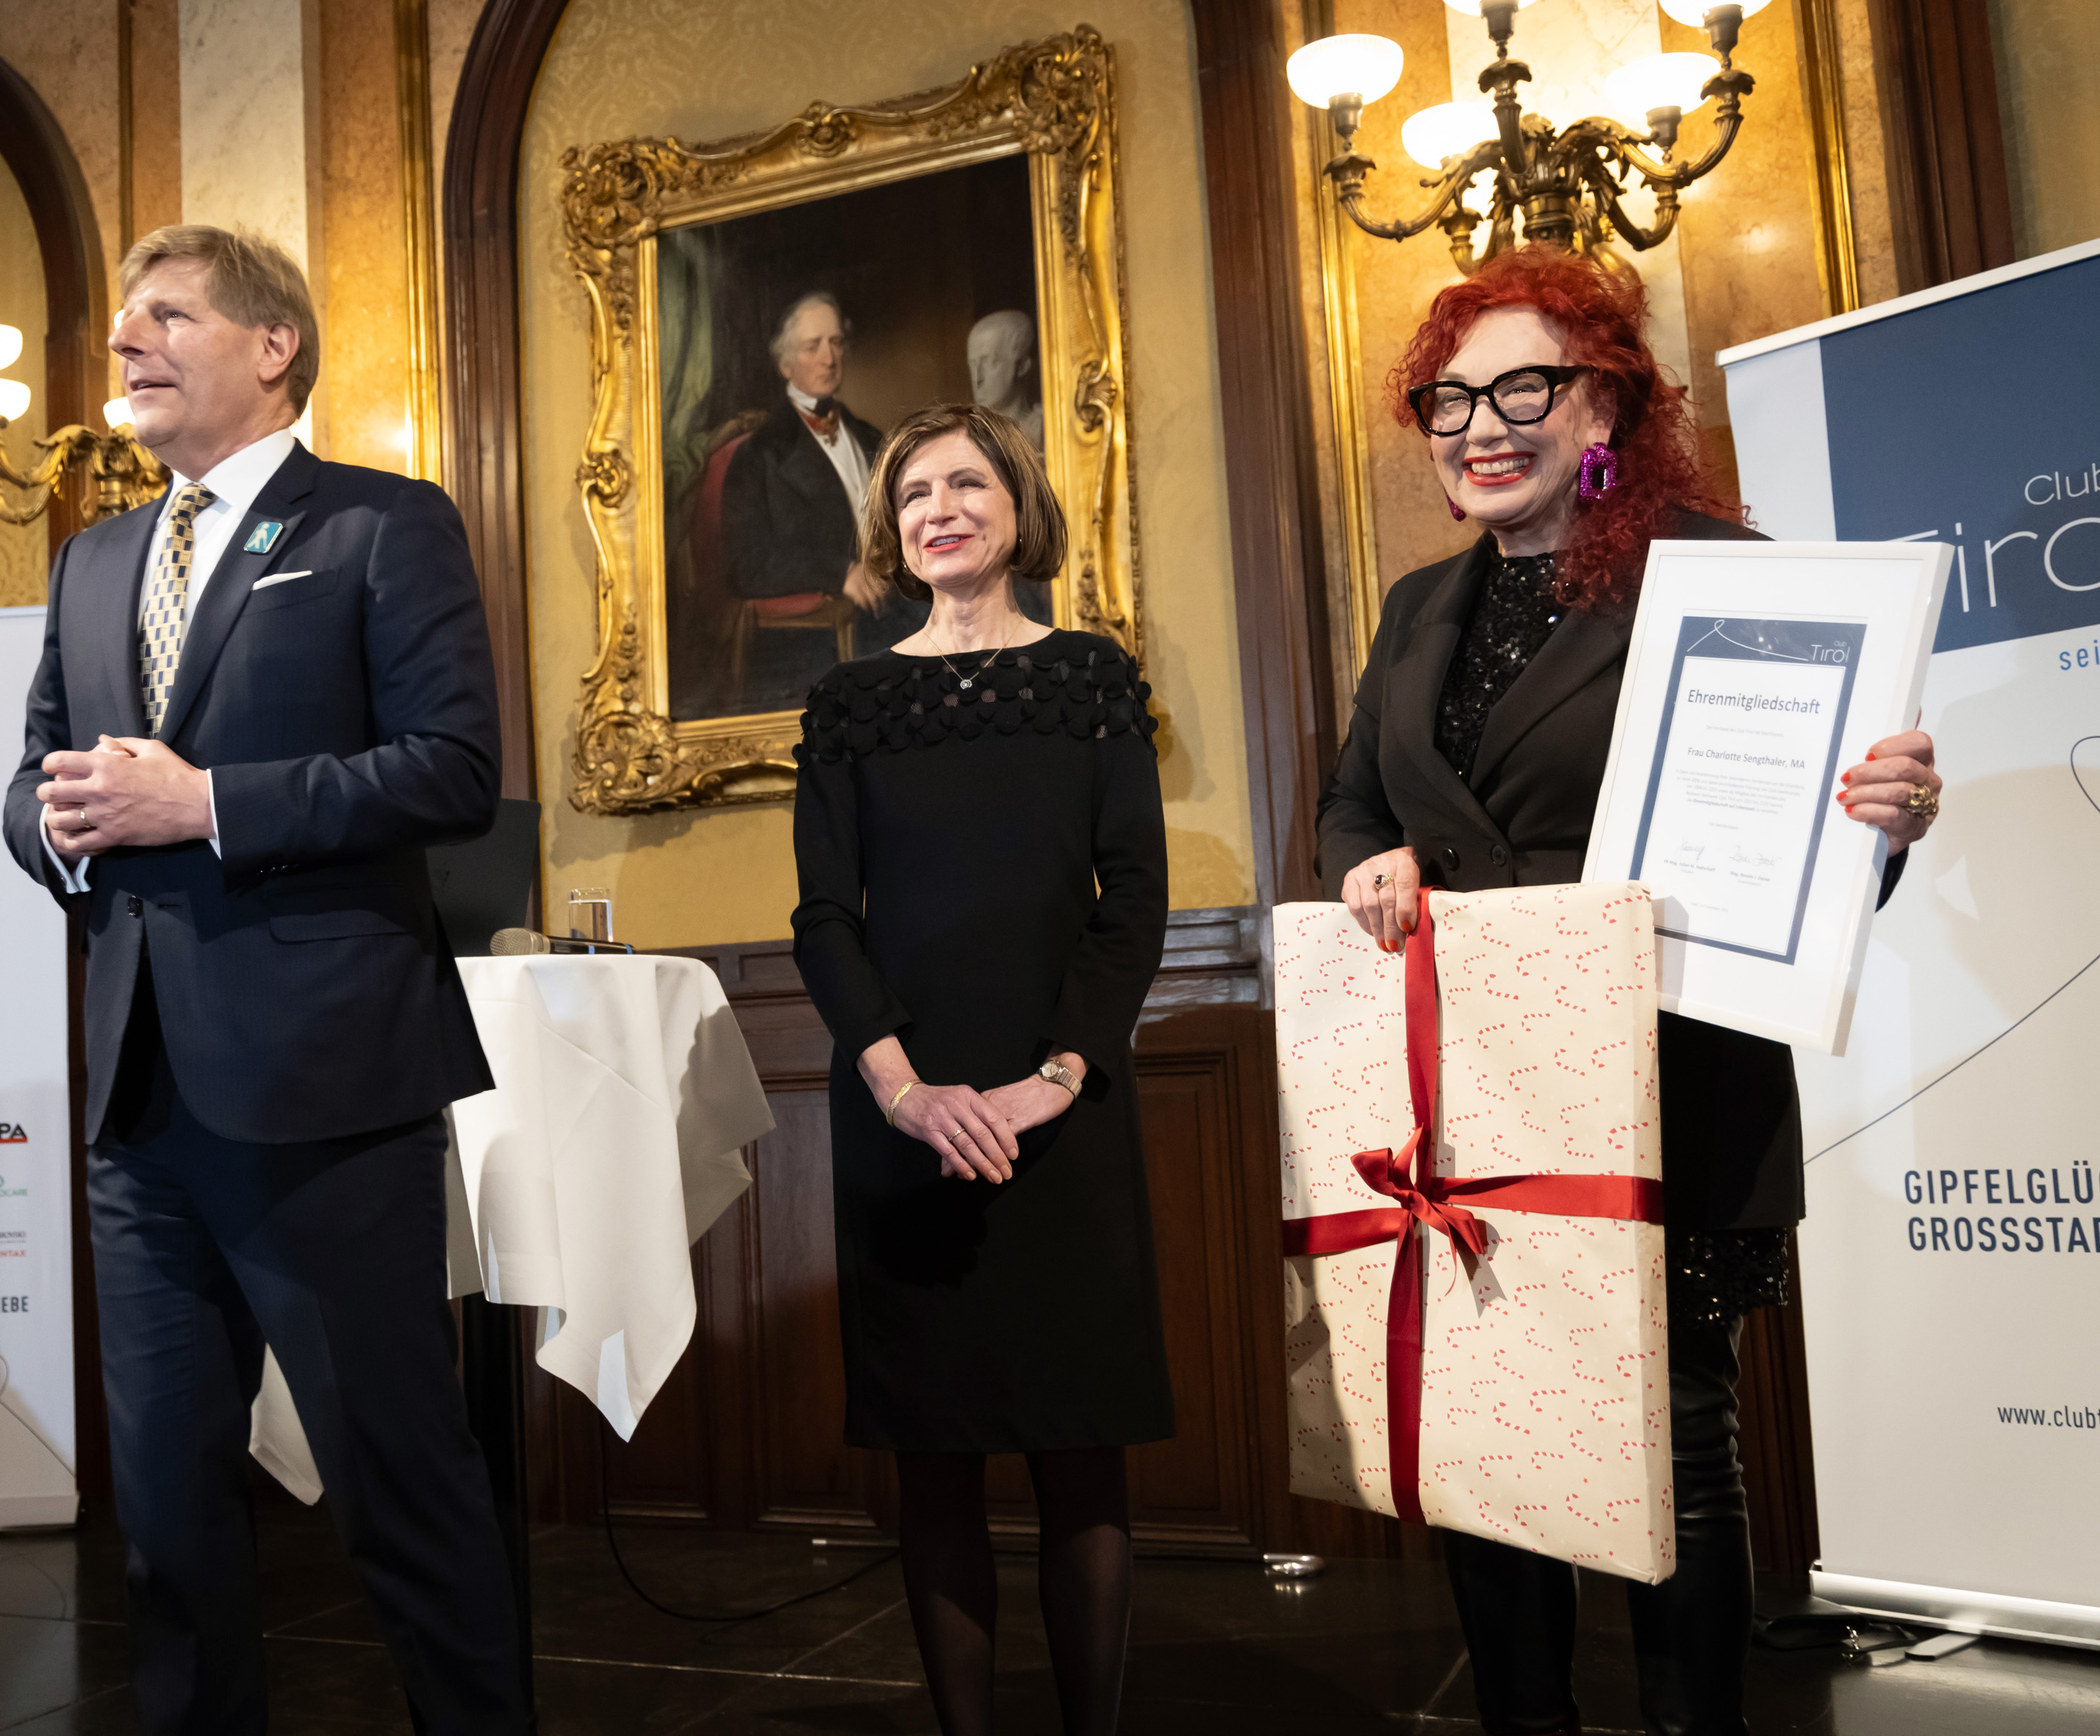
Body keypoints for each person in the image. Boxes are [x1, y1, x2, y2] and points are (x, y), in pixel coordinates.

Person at [1318, 246, 1943, 1736]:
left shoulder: (1722, 574)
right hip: (1466, 1087)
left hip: (1666, 1075)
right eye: (1448, 398)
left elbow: (1804, 842)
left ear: (1604, 403)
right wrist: (1363, 865)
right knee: (1487, 1441)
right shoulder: (1414, 607)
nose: (1479, 425)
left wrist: (1882, 822)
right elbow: (1350, 806)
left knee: (1670, 1434)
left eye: (1520, 388)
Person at [1, 225, 528, 1736]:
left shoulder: (380, 523)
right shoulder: (92, 558)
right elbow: (33, 781)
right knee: (167, 1516)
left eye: (167, 316)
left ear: (273, 344)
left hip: (327, 1087)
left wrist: (207, 803)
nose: (126, 343)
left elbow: (451, 769)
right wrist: (57, 830)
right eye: (124, 323)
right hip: (137, 1099)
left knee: (399, 1487)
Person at [789, 403, 1172, 1736]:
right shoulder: (849, 700)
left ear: (1017, 506)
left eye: (964, 484)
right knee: (935, 1462)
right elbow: (823, 917)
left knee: (1080, 1453)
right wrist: (903, 1089)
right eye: (911, 494)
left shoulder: (1088, 677)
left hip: (1060, 1108)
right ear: (889, 529)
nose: (937, 510)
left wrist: (1052, 1078)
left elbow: (1131, 900)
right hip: (901, 1112)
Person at [722, 293, 913, 664]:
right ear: (785, 364)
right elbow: (746, 565)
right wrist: (840, 573)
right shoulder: (760, 456)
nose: (829, 359)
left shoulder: (871, 438)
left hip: (904, 601)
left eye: (836, 343)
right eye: (813, 347)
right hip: (829, 637)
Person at [964, 309, 1045, 451]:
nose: (978, 380)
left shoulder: (1045, 428)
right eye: (973, 365)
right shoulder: (968, 434)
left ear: (1022, 366)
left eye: (991, 363)